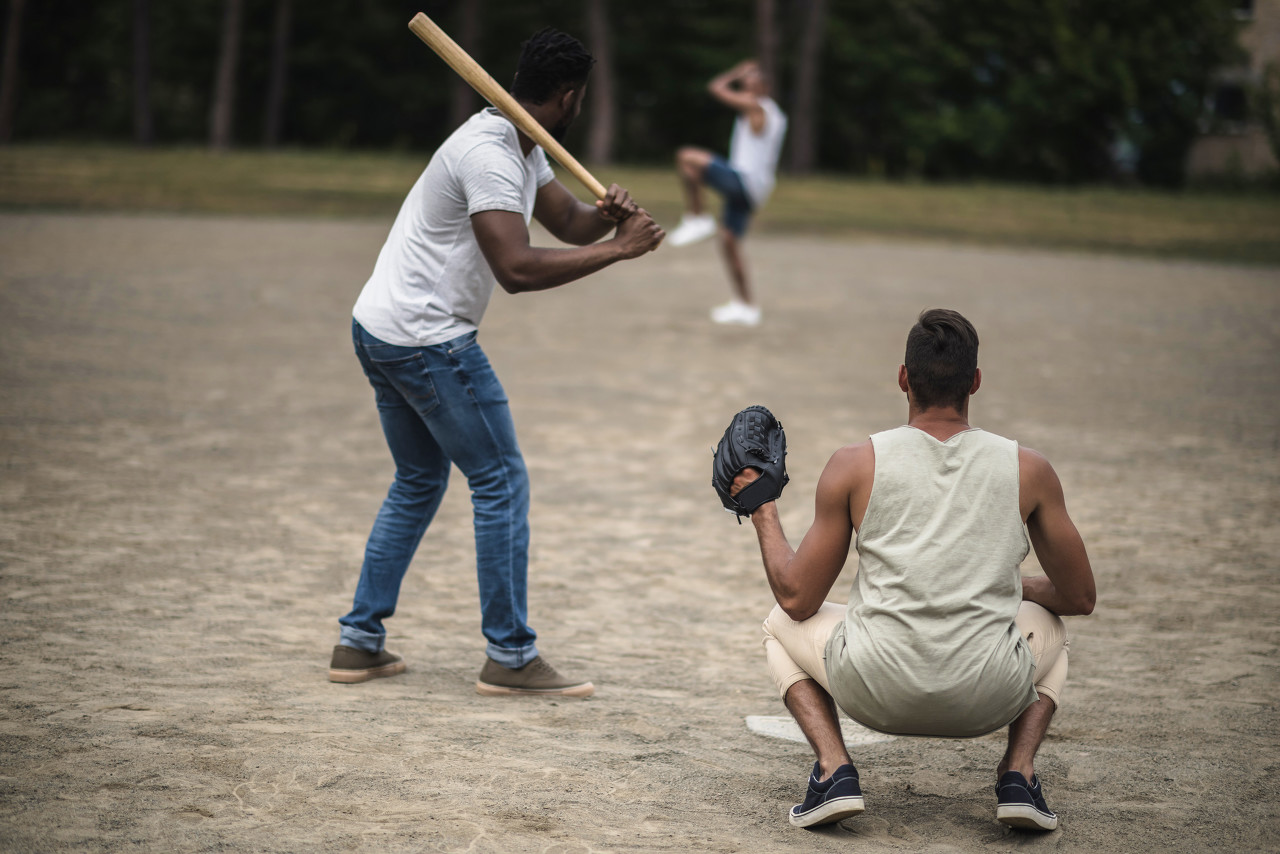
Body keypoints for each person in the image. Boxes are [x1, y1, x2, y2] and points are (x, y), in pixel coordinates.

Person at [329, 28, 664, 696]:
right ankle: (509, 656)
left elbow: (567, 225)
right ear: (569, 96)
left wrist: (606, 217)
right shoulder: (488, 152)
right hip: (426, 341)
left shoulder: (520, 137)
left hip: (382, 328)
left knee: (419, 481)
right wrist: (621, 252)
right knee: (500, 481)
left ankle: (359, 643)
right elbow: (514, 268)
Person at [729, 309, 1096, 831]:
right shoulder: (1029, 468)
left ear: (904, 378)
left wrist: (762, 512)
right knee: (1051, 626)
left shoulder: (854, 463)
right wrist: (1015, 588)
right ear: (975, 382)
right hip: (987, 696)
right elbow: (1079, 597)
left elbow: (797, 600)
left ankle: (834, 771)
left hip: (874, 691)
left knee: (776, 624)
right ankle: (1018, 775)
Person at [667, 59, 787, 327]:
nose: (745, 84)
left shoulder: (756, 106)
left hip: (742, 181)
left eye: (751, 80)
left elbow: (716, 88)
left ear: (764, 86)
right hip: (754, 189)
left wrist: (735, 71)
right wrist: (744, 75)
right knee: (729, 242)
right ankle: (746, 307)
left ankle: (697, 218)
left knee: (687, 157)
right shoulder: (774, 112)